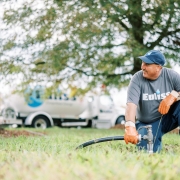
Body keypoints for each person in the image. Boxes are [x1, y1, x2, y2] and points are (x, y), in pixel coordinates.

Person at [124, 50, 180, 152]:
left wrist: (174, 96)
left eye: (147, 64)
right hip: (148, 123)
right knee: (147, 150)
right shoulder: (137, 78)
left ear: (158, 67)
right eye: (142, 63)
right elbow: (131, 104)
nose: (142, 67)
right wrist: (130, 126)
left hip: (167, 118)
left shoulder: (171, 75)